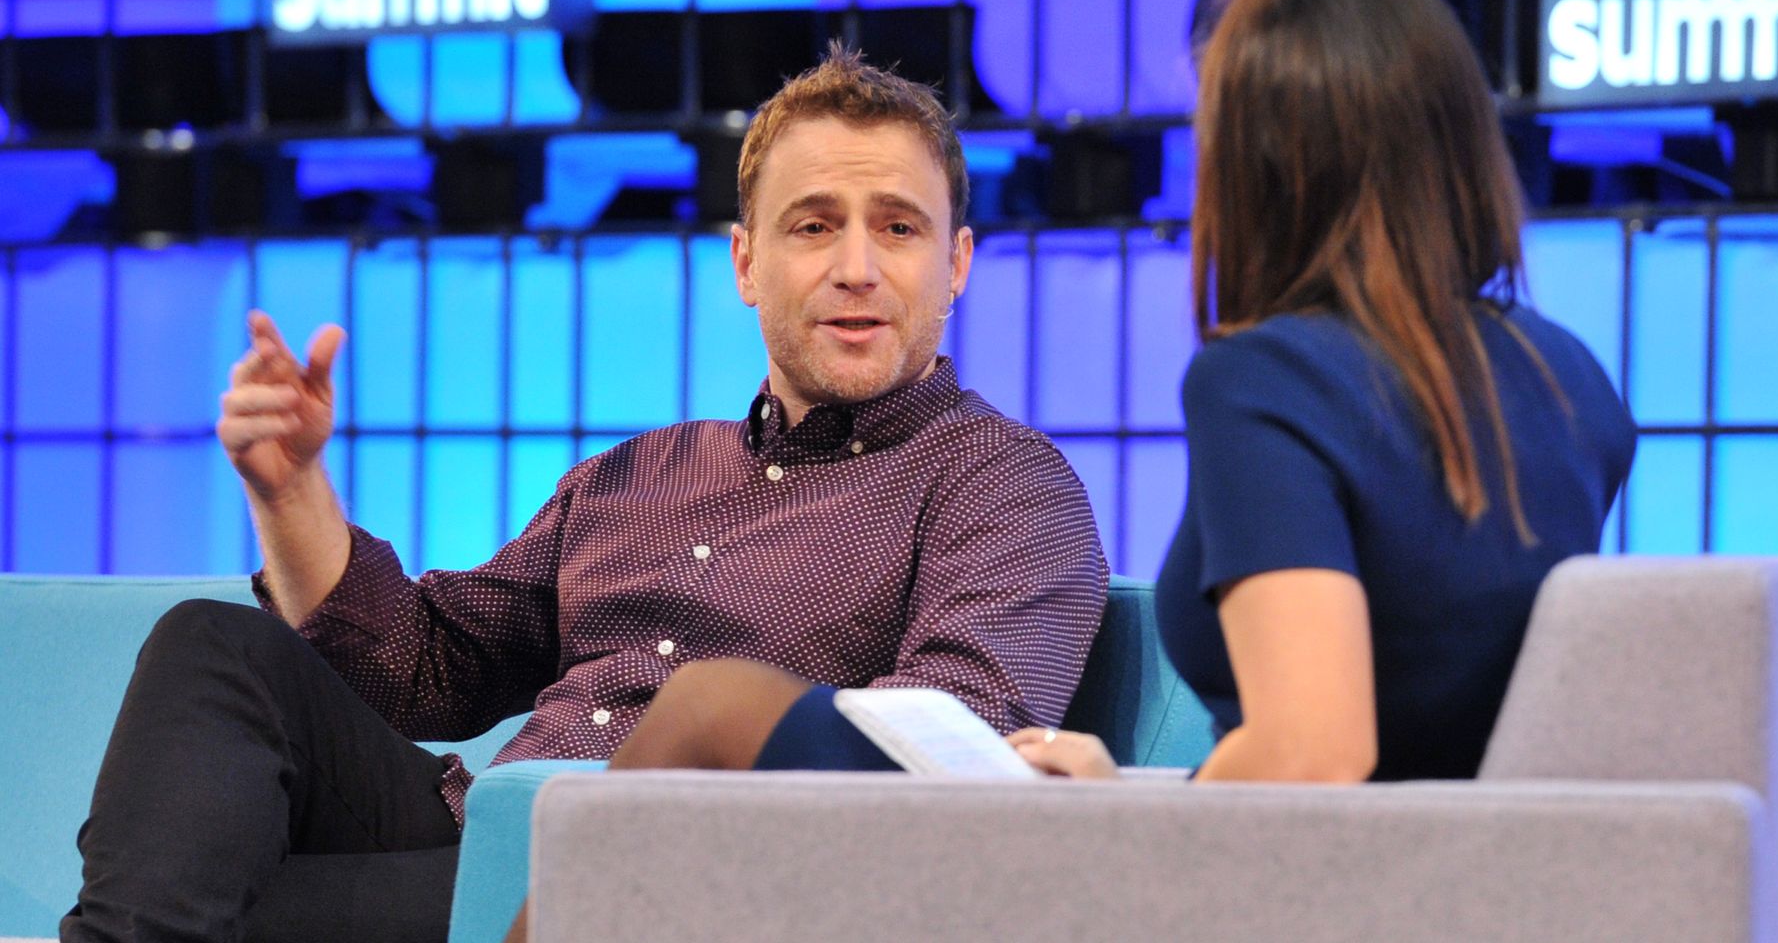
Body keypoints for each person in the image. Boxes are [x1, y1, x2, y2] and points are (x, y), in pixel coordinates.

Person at [61, 46, 1107, 943]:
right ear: (746, 263)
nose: (856, 267)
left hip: (688, 893)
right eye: (812, 226)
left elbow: (938, 761)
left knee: (199, 904)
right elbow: (426, 671)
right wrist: (291, 491)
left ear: (959, 262)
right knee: (213, 649)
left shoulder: (1003, 490)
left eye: (899, 228)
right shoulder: (634, 476)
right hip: (485, 853)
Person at [1011, 0, 1635, 783]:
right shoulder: (1570, 375)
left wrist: (1131, 818)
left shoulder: (1265, 382)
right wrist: (1128, 792)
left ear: (1256, 165)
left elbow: (1314, 753)